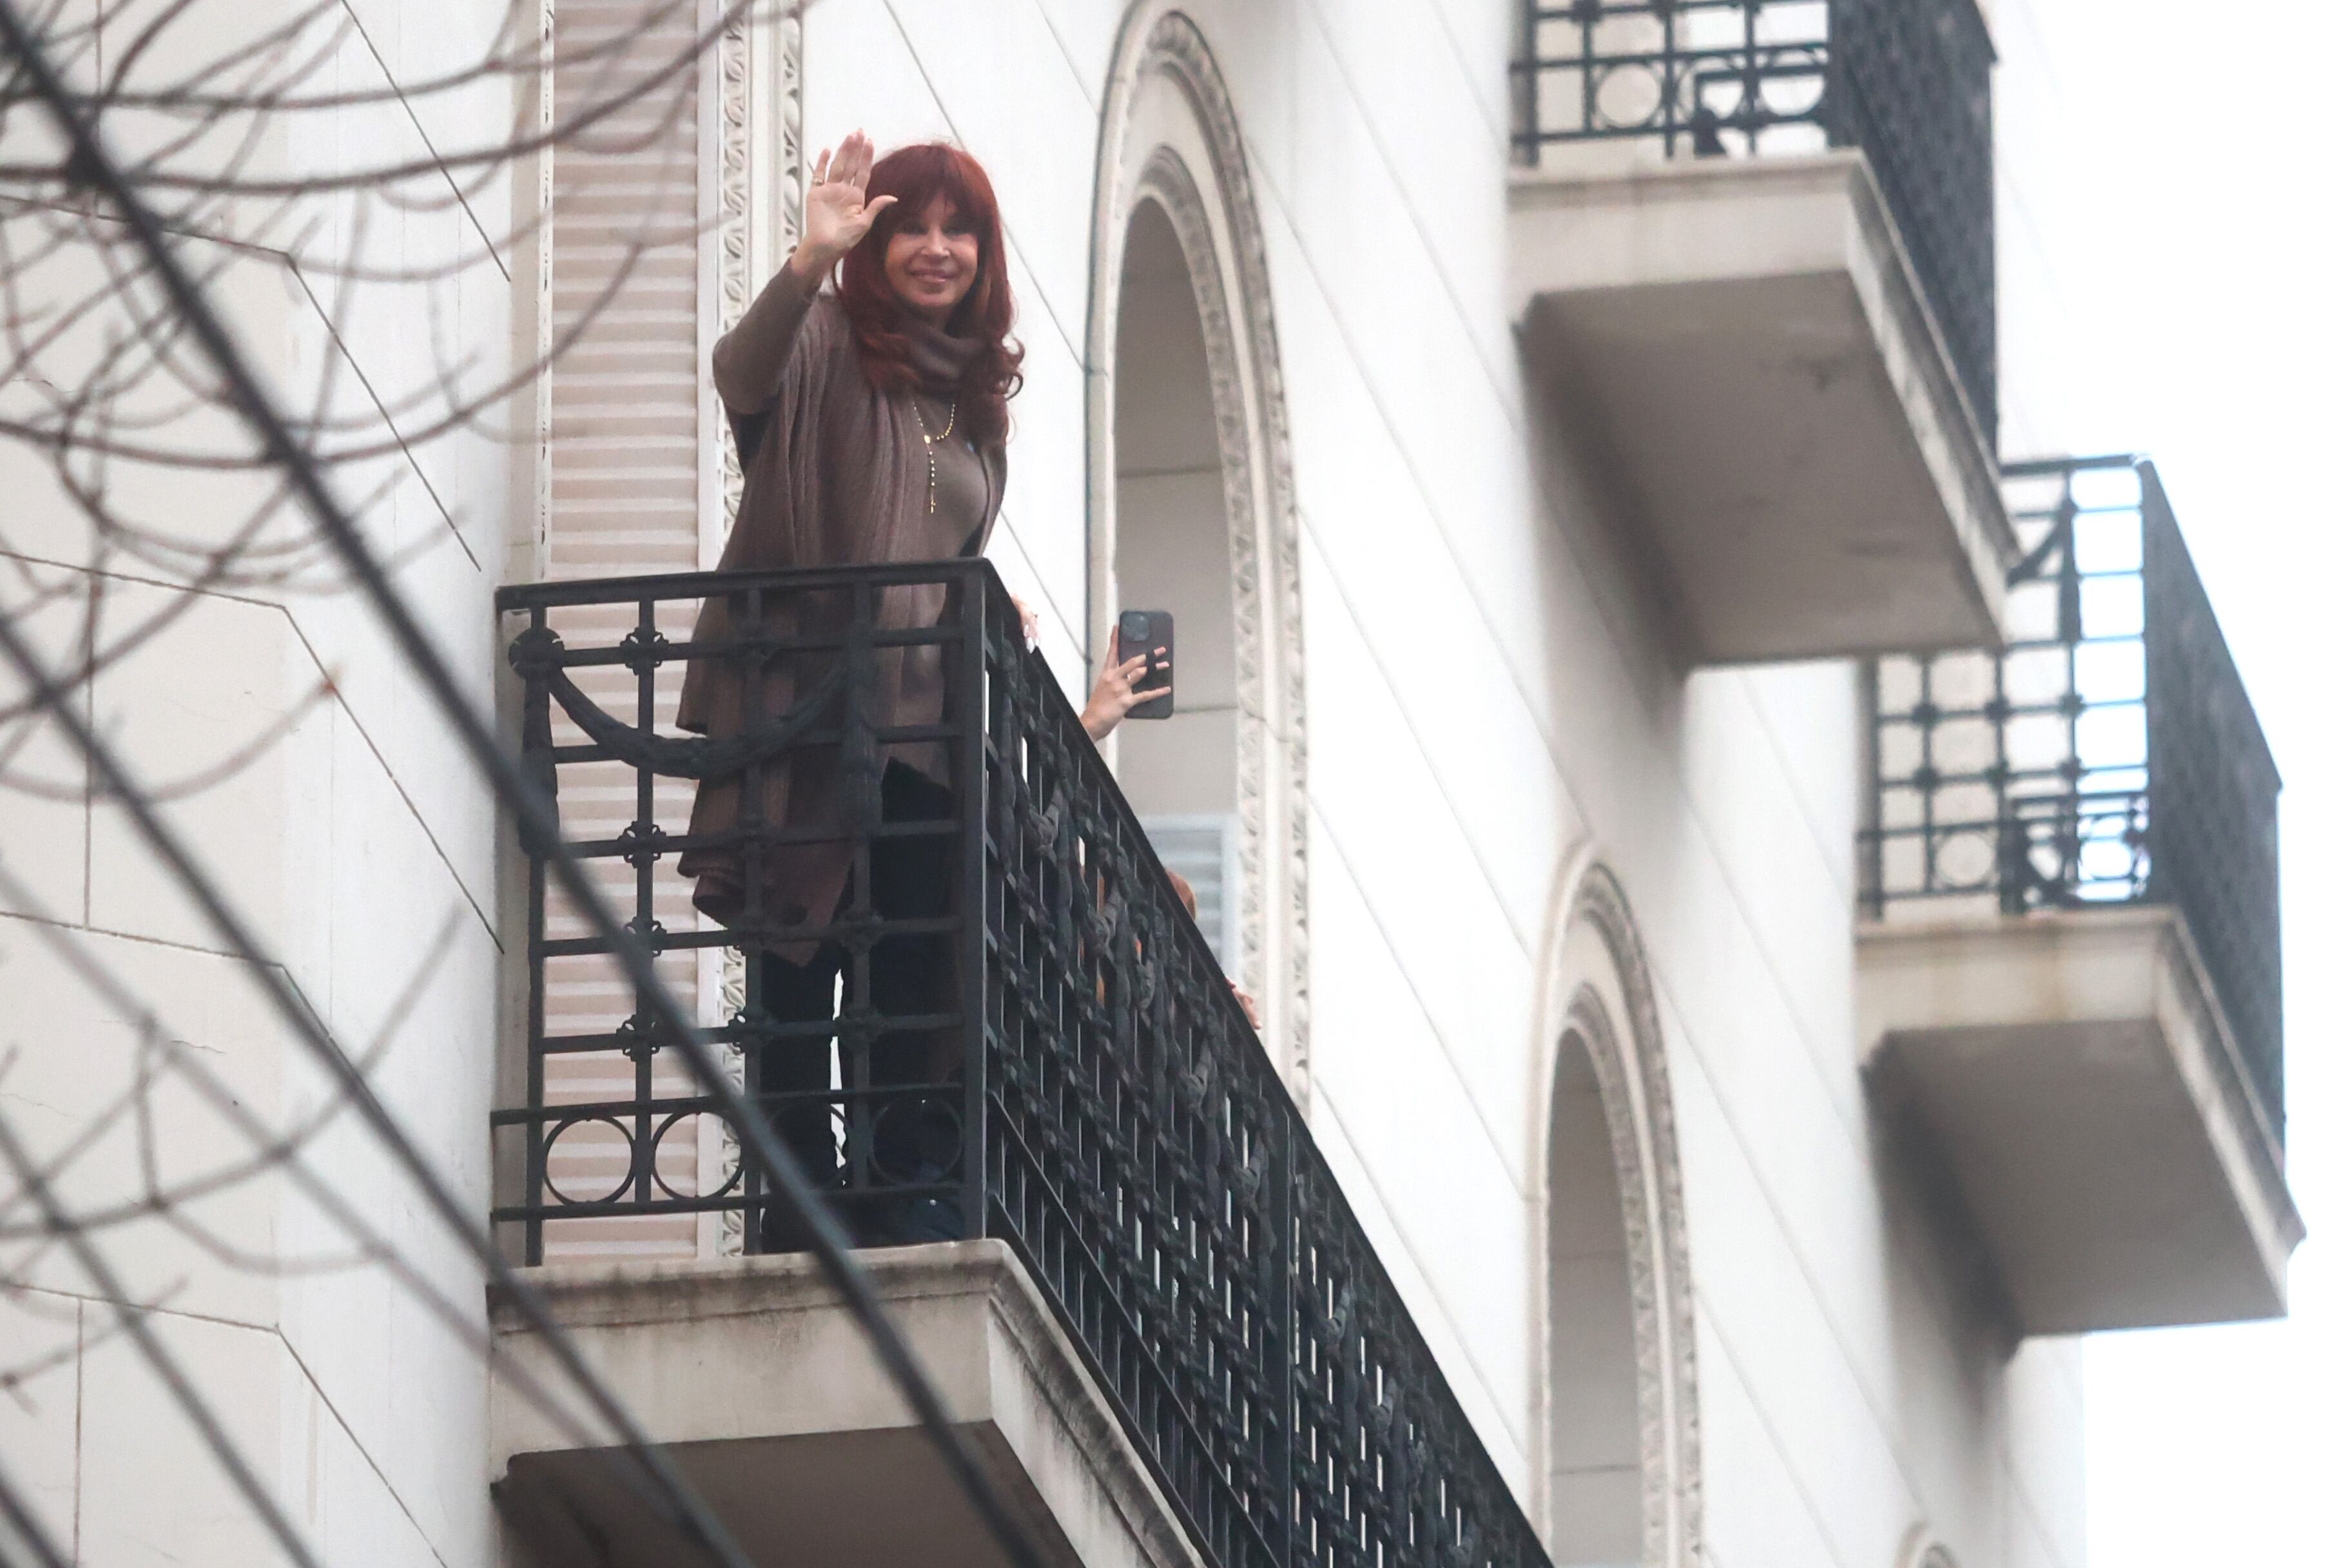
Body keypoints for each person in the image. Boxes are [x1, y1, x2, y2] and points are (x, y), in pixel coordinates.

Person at [675, 134, 1160, 1248]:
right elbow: (741, 378)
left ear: (984, 255)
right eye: (913, 228)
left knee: (910, 960)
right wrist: (808, 261)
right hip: (812, 706)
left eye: (959, 230)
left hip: (926, 732)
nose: (936, 248)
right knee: (797, 952)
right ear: (877, 244)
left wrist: (972, 609)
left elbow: (940, 540)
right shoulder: (829, 340)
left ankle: (895, 1189)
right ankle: (799, 1199)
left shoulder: (978, 405)